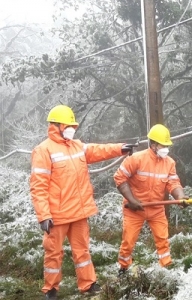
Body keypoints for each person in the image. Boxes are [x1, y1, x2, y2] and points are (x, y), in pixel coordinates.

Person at [30, 105, 136, 300]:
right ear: (57, 126)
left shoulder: (77, 145)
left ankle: (88, 284)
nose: (72, 128)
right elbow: (38, 186)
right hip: (57, 216)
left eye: (73, 125)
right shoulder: (43, 150)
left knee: (83, 251)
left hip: (79, 212)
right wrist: (43, 215)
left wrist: (120, 148)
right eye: (68, 125)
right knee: (54, 253)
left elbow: (98, 150)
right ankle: (51, 289)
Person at [113, 123, 188, 275]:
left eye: (167, 145)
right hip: (134, 209)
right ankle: (123, 268)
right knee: (128, 242)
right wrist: (132, 200)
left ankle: (166, 268)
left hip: (156, 209)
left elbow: (173, 183)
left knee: (163, 239)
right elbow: (119, 178)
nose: (166, 148)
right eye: (163, 145)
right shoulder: (136, 159)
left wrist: (180, 196)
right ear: (153, 144)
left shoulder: (169, 163)